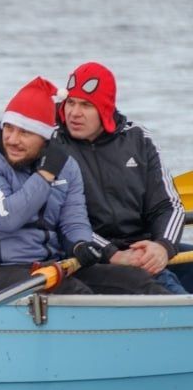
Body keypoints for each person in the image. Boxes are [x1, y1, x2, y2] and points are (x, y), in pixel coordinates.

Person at [0, 76, 169, 295]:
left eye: (25, 132)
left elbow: (74, 221)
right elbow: (7, 218)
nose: (12, 139)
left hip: (53, 266)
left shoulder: (66, 165)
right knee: (75, 294)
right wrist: (44, 176)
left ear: (45, 137)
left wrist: (81, 245)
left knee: (137, 281)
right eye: (8, 128)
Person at [51, 62, 191, 293]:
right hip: (88, 255)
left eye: (86, 105)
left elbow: (168, 205)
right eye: (71, 103)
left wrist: (163, 247)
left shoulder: (138, 138)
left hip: (141, 246)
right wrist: (113, 254)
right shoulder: (52, 146)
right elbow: (63, 221)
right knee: (164, 286)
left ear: (105, 109)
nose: (74, 113)